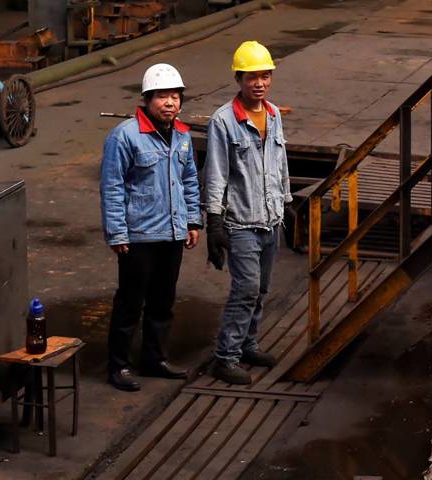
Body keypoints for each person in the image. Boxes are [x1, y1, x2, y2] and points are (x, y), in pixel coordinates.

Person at [100, 64, 201, 392]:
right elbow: (112, 185)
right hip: (138, 236)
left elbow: (189, 180)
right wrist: (117, 232)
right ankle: (119, 367)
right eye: (162, 96)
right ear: (147, 100)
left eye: (174, 96)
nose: (169, 102)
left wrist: (192, 220)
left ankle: (154, 359)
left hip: (172, 233)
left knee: (162, 302)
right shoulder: (125, 135)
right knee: (130, 303)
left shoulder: (183, 135)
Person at [204, 41, 291, 385]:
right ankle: (225, 357)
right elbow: (215, 174)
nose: (260, 83)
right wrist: (213, 222)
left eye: (265, 76)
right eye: (252, 77)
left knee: (263, 288)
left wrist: (287, 201)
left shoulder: (273, 114)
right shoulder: (223, 121)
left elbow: (280, 162)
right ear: (239, 79)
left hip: (272, 219)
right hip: (241, 223)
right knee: (246, 289)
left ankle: (248, 345)